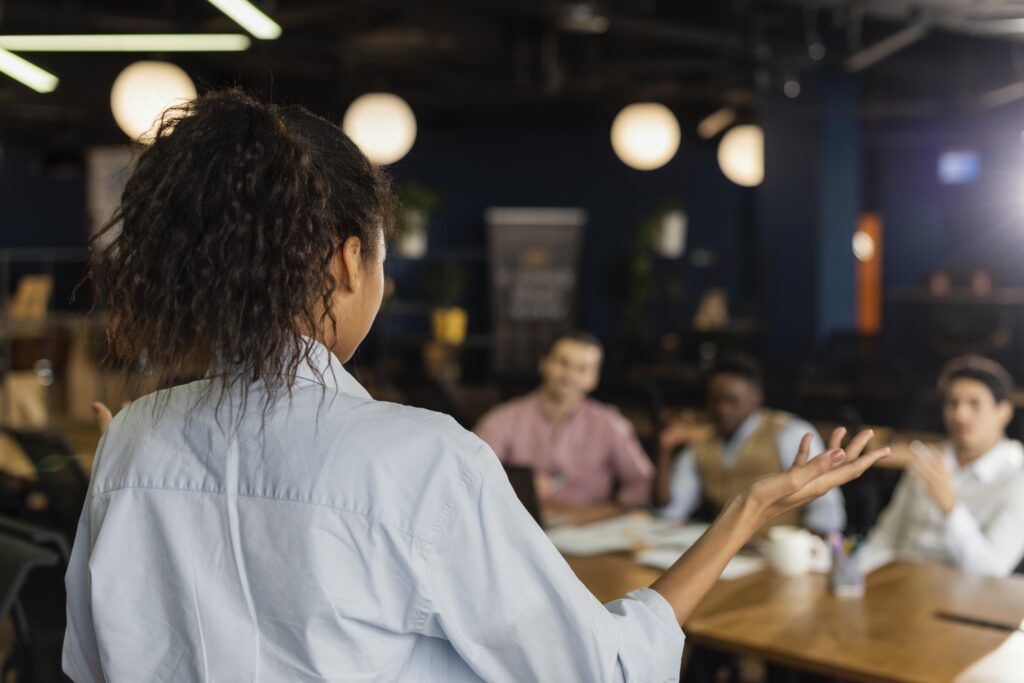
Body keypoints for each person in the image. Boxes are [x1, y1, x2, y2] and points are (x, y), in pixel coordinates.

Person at [63, 89, 888, 682]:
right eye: (381, 258)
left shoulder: (133, 440)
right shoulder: (419, 461)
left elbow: (93, 658)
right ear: (348, 260)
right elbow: (604, 671)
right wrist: (746, 512)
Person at [856, 355, 1024, 577]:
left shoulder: (1016, 478)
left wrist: (950, 508)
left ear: (1004, 412)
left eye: (974, 404)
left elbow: (992, 571)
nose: (960, 415)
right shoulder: (929, 459)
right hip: (899, 586)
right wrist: (852, 575)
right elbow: (886, 536)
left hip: (962, 600)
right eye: (953, 403)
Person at [656, 353, 846, 534]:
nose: (723, 409)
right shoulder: (701, 440)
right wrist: (665, 450)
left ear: (756, 397)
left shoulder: (790, 432)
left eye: (732, 401)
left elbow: (827, 512)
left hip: (775, 553)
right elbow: (671, 510)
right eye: (715, 401)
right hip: (720, 554)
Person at [474, 332, 654, 506]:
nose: (569, 376)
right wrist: (515, 488)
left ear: (594, 378)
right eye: (563, 363)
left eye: (582, 369)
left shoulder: (610, 423)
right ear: (543, 363)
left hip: (591, 525)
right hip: (521, 523)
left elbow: (642, 481)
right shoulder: (502, 420)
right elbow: (472, 474)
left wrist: (614, 511)